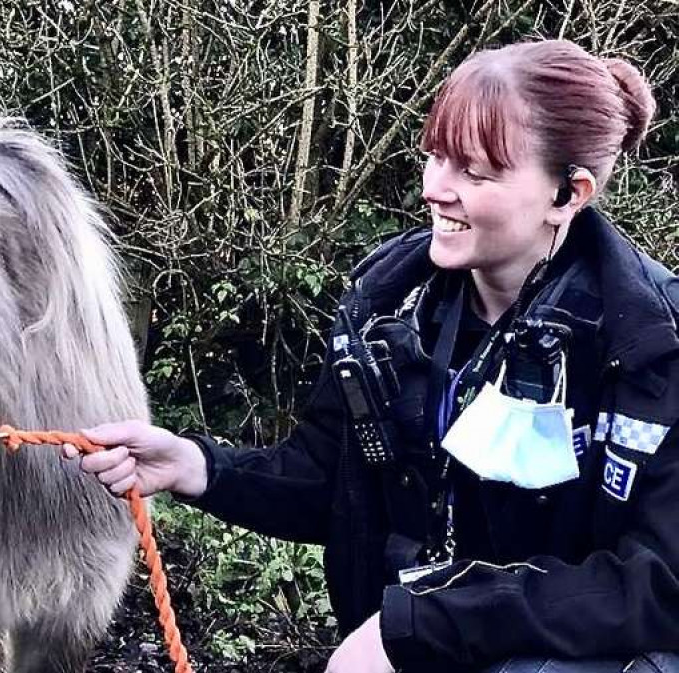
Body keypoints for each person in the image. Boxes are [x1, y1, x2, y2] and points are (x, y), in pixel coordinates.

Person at [62, 40, 679, 673]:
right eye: (435, 158)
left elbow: (659, 585)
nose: (437, 190)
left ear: (567, 194)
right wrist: (197, 467)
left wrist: (418, 626)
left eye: (475, 172)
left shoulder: (652, 350)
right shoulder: (389, 308)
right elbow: (332, 480)